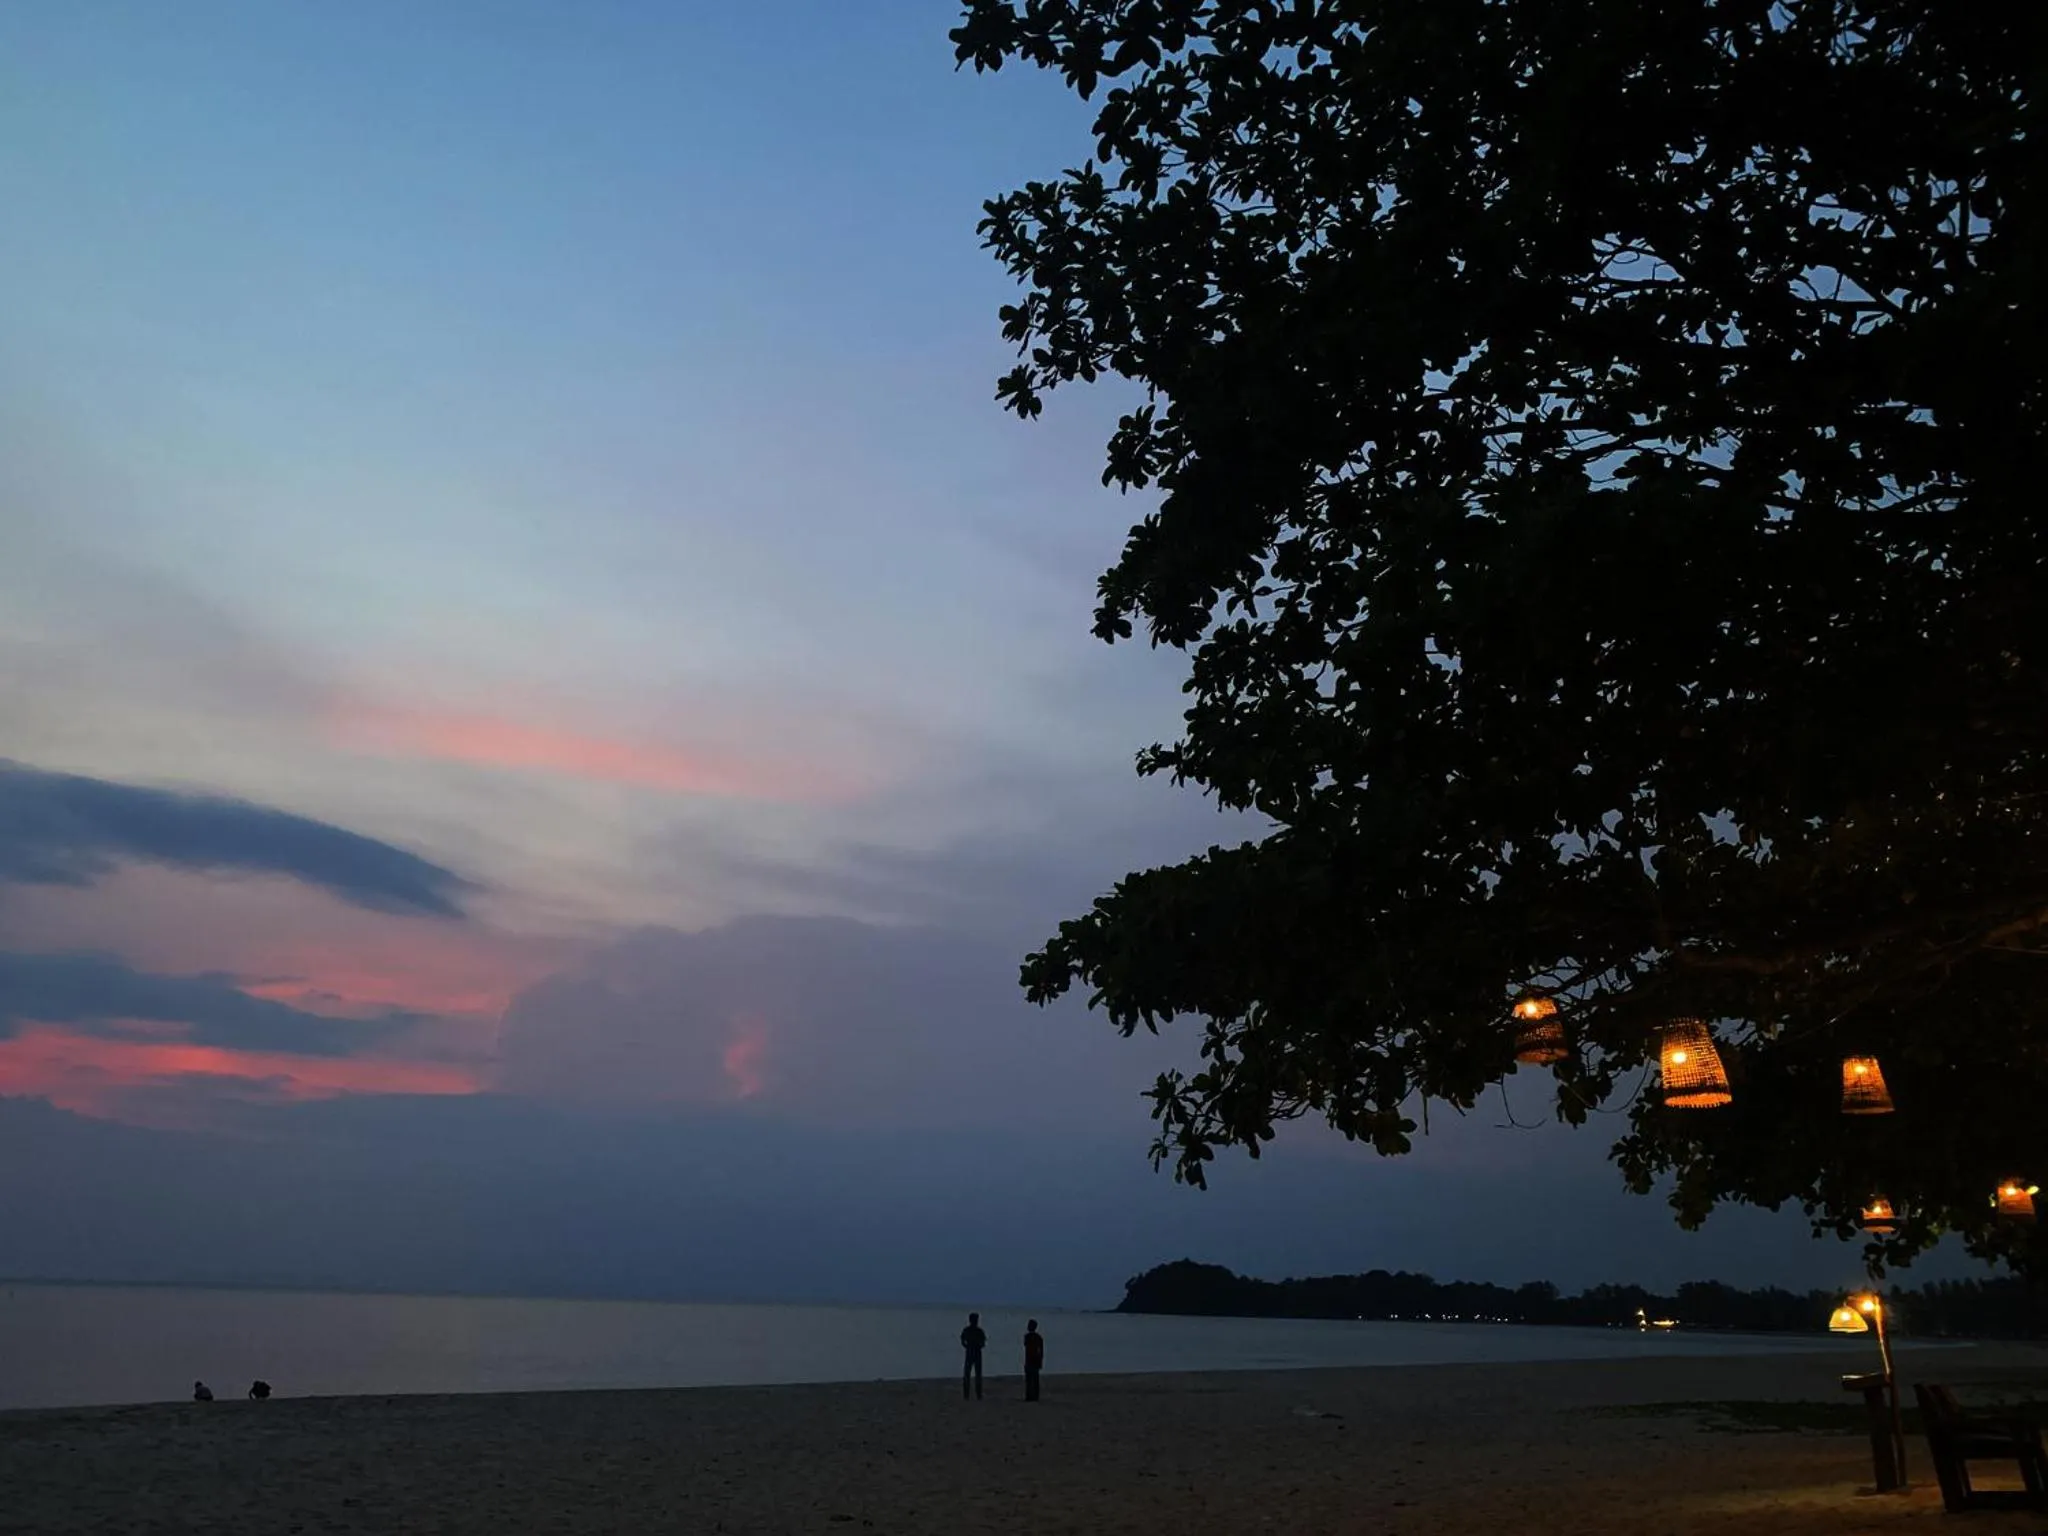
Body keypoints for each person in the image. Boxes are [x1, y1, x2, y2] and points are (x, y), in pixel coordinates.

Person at [959, 1312, 987, 1400]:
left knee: (971, 1374)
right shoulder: (977, 1331)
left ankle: (970, 1394)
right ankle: (974, 1394)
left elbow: (963, 1340)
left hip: (972, 1352)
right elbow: (983, 1343)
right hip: (974, 1353)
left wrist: (967, 1345)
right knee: (973, 1374)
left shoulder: (971, 1330)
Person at [1023, 1318, 1045, 1402]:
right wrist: (1040, 1360)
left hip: (1030, 1359)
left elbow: (1026, 1346)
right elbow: (1041, 1350)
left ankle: (1029, 1396)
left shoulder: (1027, 1337)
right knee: (1035, 1379)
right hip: (1036, 1359)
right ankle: (1035, 1396)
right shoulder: (1039, 1337)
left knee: (1029, 1379)